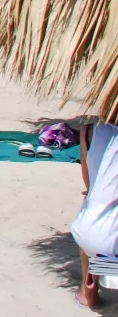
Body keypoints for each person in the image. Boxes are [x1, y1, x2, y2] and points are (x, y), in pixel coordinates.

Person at [72, 118, 118, 308]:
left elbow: (89, 184)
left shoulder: (89, 130)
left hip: (92, 236)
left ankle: (88, 289)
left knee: (90, 204)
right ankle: (111, 270)